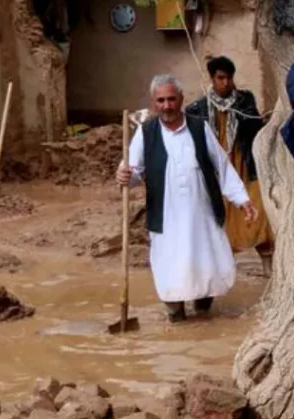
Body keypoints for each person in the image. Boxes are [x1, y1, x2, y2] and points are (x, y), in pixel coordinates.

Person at [116, 75, 257, 322]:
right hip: (166, 218)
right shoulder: (145, 133)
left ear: (181, 99)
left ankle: (204, 314)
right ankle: (176, 315)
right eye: (161, 100)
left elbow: (222, 166)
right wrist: (125, 175)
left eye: (171, 99)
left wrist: (241, 199)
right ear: (153, 103)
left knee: (206, 268)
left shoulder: (199, 128)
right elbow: (133, 172)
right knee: (170, 270)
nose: (167, 106)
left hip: (201, 215)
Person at [185, 56, 276, 276]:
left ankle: (267, 266)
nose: (225, 83)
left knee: (258, 212)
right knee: (218, 218)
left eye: (229, 78)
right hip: (215, 171)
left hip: (244, 166)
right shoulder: (197, 108)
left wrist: (242, 112)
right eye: (221, 78)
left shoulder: (244, 101)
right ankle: (222, 270)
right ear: (212, 79)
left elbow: (255, 129)